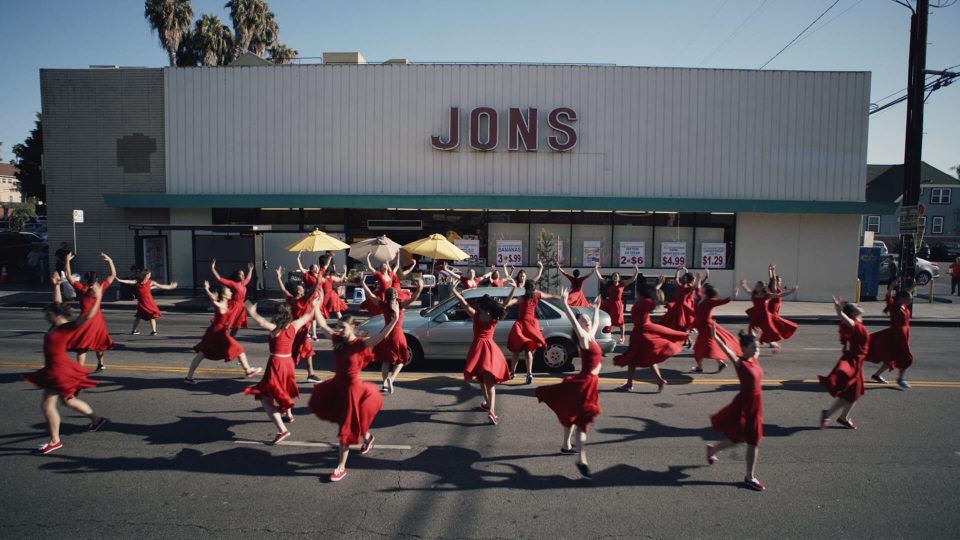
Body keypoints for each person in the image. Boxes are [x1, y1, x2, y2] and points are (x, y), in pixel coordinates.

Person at [308, 311, 399, 482]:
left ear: (353, 328)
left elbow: (380, 336)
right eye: (339, 327)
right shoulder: (337, 341)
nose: (340, 330)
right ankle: (368, 438)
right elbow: (322, 326)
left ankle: (341, 467)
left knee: (346, 427)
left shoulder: (360, 344)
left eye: (343, 328)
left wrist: (393, 320)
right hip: (337, 387)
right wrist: (316, 307)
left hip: (353, 390)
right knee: (353, 420)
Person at [23, 274, 109, 455]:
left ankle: (55, 441)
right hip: (58, 369)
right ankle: (97, 419)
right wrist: (56, 285)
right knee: (68, 401)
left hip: (59, 371)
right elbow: (57, 304)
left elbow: (86, 318)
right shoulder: (55, 324)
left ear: (56, 315)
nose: (46, 315)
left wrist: (99, 297)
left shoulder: (65, 327)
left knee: (48, 405)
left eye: (48, 313)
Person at [535, 290, 604, 480]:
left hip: (590, 384)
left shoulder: (591, 336)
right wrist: (565, 304)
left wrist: (596, 309)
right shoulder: (583, 338)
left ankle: (566, 446)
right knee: (582, 422)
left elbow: (596, 322)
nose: (587, 322)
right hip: (585, 385)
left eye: (587, 320)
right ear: (579, 326)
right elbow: (573, 321)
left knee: (574, 416)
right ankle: (582, 460)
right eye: (583, 321)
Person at [243, 296, 323, 444]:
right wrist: (315, 304)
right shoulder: (294, 326)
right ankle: (289, 414)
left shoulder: (275, 329)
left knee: (266, 399)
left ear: (276, 315)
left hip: (276, 363)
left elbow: (260, 321)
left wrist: (251, 311)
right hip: (288, 363)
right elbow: (308, 315)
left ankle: (282, 430)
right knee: (284, 389)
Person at [705, 325, 766, 492]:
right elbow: (726, 350)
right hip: (743, 406)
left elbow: (757, 349)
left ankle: (749, 476)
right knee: (737, 438)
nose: (756, 350)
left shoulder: (754, 357)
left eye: (757, 347)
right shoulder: (740, 362)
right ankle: (713, 449)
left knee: (753, 441)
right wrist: (715, 336)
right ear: (744, 349)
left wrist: (757, 339)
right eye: (753, 347)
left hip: (756, 406)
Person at [452, 284, 516, 424]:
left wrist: (453, 290)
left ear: (480, 306)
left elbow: (462, 302)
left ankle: (490, 408)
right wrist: (513, 289)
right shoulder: (494, 317)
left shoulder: (476, 315)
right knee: (489, 383)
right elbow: (505, 304)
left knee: (481, 379)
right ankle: (491, 409)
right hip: (490, 348)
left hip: (477, 348)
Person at [613, 275, 689, 392]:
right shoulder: (645, 301)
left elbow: (654, 299)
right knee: (648, 359)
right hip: (642, 332)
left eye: (638, 292)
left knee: (633, 360)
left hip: (641, 334)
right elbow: (653, 297)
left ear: (640, 293)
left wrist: (657, 287)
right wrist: (658, 286)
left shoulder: (644, 302)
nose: (636, 293)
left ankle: (630, 384)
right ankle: (658, 381)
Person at [184, 281, 262, 384]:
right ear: (224, 294)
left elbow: (215, 297)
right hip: (218, 333)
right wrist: (207, 289)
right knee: (238, 349)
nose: (231, 292)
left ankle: (189, 378)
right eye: (229, 291)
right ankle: (248, 370)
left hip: (214, 332)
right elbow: (213, 300)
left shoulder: (226, 303)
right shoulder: (220, 304)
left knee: (202, 354)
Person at [359, 273, 424, 394]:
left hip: (385, 333)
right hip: (397, 335)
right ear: (395, 296)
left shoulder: (383, 305)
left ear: (386, 296)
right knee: (401, 361)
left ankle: (384, 385)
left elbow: (370, 295)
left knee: (386, 361)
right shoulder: (399, 305)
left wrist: (362, 283)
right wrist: (420, 288)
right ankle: (391, 379)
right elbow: (414, 298)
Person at [818, 296, 869, 430]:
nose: (859, 306)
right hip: (852, 362)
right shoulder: (853, 323)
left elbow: (846, 320)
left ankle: (841, 417)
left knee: (854, 394)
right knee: (851, 393)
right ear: (852, 313)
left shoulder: (857, 320)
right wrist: (840, 312)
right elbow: (846, 320)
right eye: (856, 306)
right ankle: (832, 415)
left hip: (858, 361)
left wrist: (842, 312)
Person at [64, 252, 116, 372]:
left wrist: (67, 261)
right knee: (100, 342)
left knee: (82, 346)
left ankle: (79, 368)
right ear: (96, 279)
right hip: (97, 319)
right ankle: (101, 364)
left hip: (84, 319)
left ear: (85, 279)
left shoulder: (81, 288)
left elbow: (68, 276)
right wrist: (109, 261)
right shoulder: (100, 288)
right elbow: (113, 274)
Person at [505, 280, 561, 384]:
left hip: (522, 324)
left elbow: (510, 303)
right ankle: (529, 373)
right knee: (528, 351)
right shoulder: (537, 295)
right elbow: (551, 296)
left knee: (516, 350)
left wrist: (504, 301)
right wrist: (564, 298)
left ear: (525, 288)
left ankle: (512, 372)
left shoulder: (523, 298)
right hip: (532, 324)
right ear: (534, 288)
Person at [275, 266, 322, 382]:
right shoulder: (302, 300)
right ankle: (285, 374)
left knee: (306, 351)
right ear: (298, 291)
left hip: (294, 330)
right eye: (300, 286)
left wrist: (278, 277)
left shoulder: (290, 299)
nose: (301, 286)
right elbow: (312, 291)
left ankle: (309, 374)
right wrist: (318, 280)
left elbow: (283, 290)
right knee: (297, 353)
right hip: (300, 331)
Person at [866, 279, 914, 389]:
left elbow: (905, 292)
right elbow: (888, 296)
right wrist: (892, 285)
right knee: (906, 357)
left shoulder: (904, 305)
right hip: (895, 336)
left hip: (903, 335)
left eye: (910, 299)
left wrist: (912, 286)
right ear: (902, 298)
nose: (910, 301)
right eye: (909, 299)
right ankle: (900, 379)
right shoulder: (894, 307)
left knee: (891, 358)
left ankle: (876, 375)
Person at [691, 283, 742, 373]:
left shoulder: (710, 301)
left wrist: (733, 296)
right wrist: (698, 280)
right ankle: (719, 364)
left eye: (704, 288)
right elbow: (697, 289)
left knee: (702, 347)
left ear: (706, 291)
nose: (702, 288)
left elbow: (723, 301)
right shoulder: (700, 298)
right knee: (705, 346)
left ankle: (700, 367)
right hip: (702, 327)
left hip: (707, 327)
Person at [741, 277, 798, 352]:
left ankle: (775, 345)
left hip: (765, 317)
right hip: (756, 316)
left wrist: (791, 292)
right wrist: (743, 285)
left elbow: (779, 295)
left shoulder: (767, 295)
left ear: (762, 287)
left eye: (758, 286)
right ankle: (751, 347)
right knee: (751, 330)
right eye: (756, 286)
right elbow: (747, 290)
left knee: (769, 333)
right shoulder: (754, 293)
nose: (756, 287)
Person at [114, 268, 177, 336]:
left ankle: (153, 331)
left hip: (149, 302)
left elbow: (161, 286)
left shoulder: (150, 282)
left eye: (150, 274)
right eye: (149, 274)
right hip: (142, 303)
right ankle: (134, 331)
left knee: (151, 316)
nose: (150, 275)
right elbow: (129, 281)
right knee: (139, 316)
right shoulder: (138, 281)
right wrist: (120, 280)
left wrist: (170, 287)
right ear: (145, 275)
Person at [594, 263, 640, 344]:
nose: (615, 277)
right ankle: (608, 335)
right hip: (610, 304)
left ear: (619, 278)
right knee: (609, 320)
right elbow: (600, 278)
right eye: (614, 276)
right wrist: (596, 269)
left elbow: (633, 279)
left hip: (617, 304)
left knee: (620, 321)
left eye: (616, 276)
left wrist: (636, 271)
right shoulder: (609, 284)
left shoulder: (622, 284)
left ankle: (622, 337)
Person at [659, 266, 702, 347]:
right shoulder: (680, 285)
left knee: (683, 326)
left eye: (685, 278)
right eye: (684, 277)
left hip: (683, 309)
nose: (684, 278)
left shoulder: (688, 287)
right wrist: (678, 271)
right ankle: (687, 340)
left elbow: (694, 286)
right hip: (677, 307)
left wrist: (698, 279)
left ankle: (688, 340)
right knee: (678, 325)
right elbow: (676, 279)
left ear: (688, 279)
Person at [210, 259, 254, 337]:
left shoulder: (243, 283)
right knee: (228, 324)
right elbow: (219, 279)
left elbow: (248, 278)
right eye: (241, 274)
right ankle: (220, 337)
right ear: (236, 276)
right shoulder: (232, 284)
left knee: (237, 325)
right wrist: (213, 268)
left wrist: (250, 270)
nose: (243, 276)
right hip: (233, 306)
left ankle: (230, 338)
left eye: (243, 274)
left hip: (241, 308)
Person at [295, 251, 324, 338]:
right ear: (311, 269)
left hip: (317, 297)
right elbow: (301, 267)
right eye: (314, 268)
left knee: (314, 317)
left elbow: (323, 268)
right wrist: (298, 258)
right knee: (309, 316)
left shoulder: (319, 275)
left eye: (317, 267)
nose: (316, 268)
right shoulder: (308, 275)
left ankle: (313, 334)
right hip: (311, 296)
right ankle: (308, 333)